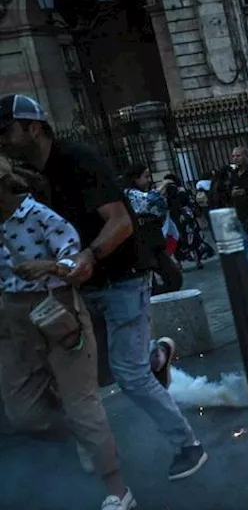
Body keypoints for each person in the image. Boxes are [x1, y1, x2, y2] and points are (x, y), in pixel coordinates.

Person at [0, 93, 207, 478]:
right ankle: (156, 358)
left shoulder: (79, 161)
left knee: (127, 373)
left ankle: (188, 446)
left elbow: (121, 222)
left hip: (121, 277)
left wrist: (89, 257)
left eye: (6, 131)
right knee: (95, 374)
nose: (2, 140)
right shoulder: (31, 175)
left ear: (32, 127)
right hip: (81, 286)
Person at [0, 154, 135, 510]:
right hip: (11, 320)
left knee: (81, 402)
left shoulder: (40, 217)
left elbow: (79, 266)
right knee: (23, 413)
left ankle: (117, 489)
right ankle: (84, 436)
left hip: (56, 310)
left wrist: (48, 267)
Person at [122, 163, 183, 294]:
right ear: (135, 178)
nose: (149, 180)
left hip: (154, 241)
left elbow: (160, 209)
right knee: (152, 282)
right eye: (146, 176)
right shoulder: (129, 194)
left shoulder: (142, 192)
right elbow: (149, 200)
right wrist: (164, 185)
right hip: (142, 244)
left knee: (174, 277)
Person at [212, 146, 248, 273]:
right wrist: (231, 193)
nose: (235, 159)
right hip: (236, 212)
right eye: (233, 156)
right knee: (243, 241)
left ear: (245, 156)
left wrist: (245, 192)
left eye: (238, 156)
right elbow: (222, 191)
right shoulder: (232, 175)